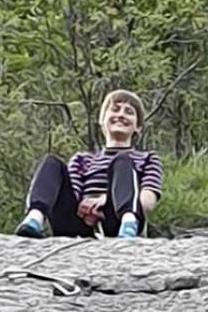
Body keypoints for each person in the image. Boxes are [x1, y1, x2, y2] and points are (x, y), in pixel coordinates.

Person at [14, 89, 163, 238]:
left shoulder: (148, 158)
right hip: (79, 222)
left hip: (116, 220)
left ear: (138, 127)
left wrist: (104, 202)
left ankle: (128, 225)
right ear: (102, 121)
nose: (121, 115)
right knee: (51, 162)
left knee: (122, 161)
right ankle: (34, 219)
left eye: (129, 112)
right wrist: (86, 209)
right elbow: (73, 193)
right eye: (115, 109)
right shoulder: (83, 159)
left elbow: (147, 201)